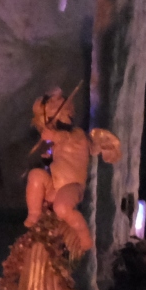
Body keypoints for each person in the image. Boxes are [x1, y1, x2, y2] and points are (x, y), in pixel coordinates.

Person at [24, 87, 121, 254]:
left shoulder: (78, 135)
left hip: (72, 187)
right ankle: (34, 214)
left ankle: (84, 236)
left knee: (62, 207)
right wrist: (48, 155)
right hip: (55, 187)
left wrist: (53, 136)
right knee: (36, 175)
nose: (51, 126)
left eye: (53, 119)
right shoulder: (57, 141)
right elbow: (57, 155)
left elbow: (65, 139)